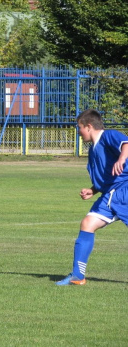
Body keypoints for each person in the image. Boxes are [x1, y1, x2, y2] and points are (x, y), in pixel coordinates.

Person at [56, 109, 128, 286]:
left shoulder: (108, 135)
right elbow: (106, 175)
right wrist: (93, 190)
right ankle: (77, 276)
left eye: (79, 127)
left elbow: (126, 144)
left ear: (89, 126)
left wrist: (121, 159)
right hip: (109, 195)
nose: (78, 132)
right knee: (87, 224)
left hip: (124, 191)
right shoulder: (93, 150)